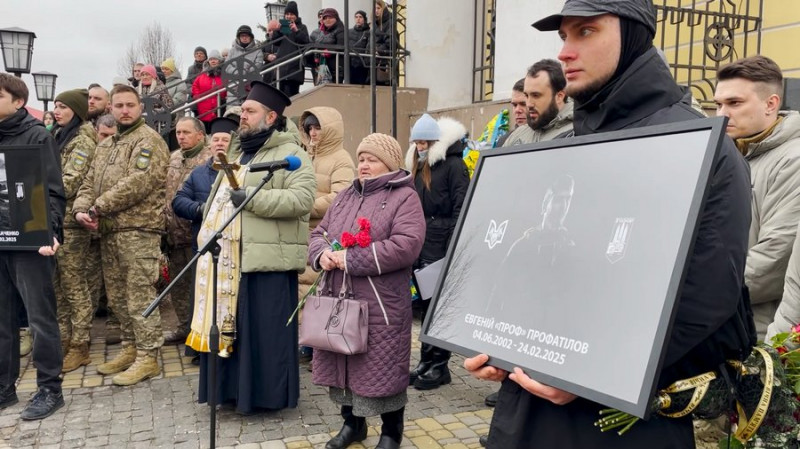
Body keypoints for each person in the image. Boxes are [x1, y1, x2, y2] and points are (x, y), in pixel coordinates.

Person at [466, 1, 753, 448]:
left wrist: (588, 371)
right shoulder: (565, 144)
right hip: (525, 409)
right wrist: (498, 339)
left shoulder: (702, 147)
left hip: (625, 423)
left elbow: (707, 296)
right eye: (563, 36)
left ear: (634, 35)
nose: (565, 52)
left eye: (585, 32)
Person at [191, 81, 315, 414]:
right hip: (229, 258)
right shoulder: (238, 150)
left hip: (266, 260)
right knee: (233, 329)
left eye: (249, 111)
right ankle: (231, 393)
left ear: (271, 116)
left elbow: (302, 200)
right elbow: (219, 199)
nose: (241, 117)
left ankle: (264, 398)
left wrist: (251, 199)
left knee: (262, 335)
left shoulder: (292, 154)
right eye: (243, 110)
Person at [308, 133, 425, 449]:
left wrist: (351, 258)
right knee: (343, 362)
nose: (363, 164)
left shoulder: (404, 197)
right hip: (340, 298)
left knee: (385, 367)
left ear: (389, 163)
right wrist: (322, 254)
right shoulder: (346, 195)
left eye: (371, 159)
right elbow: (319, 232)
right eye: (361, 158)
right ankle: (353, 425)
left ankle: (391, 432)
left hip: (381, 304)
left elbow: (406, 245)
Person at [73, 85, 169, 386]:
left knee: (141, 297)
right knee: (118, 298)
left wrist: (98, 206)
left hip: (139, 232)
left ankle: (148, 357)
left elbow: (138, 182)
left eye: (130, 104)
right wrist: (80, 208)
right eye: (119, 105)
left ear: (140, 107)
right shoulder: (106, 145)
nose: (125, 110)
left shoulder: (149, 141)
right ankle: (129, 348)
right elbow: (89, 180)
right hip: (109, 231)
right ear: (110, 109)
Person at [713, 56, 800, 340]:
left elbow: (775, 259)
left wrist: (700, 290)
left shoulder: (793, 160)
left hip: (759, 330)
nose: (722, 114)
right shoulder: (727, 153)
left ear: (771, 104)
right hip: (722, 322)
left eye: (735, 103)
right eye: (718, 104)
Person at [0, 73, 66, 420]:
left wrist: (50, 232)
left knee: (40, 319)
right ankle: (4, 387)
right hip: (0, 240)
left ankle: (50, 389)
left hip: (30, 241)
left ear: (18, 102)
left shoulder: (38, 136)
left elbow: (53, 189)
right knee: (1, 318)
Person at [404, 113, 469, 391]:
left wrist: (452, 246)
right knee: (426, 308)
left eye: (424, 141)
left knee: (438, 309)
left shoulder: (454, 166)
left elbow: (461, 207)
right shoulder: (419, 167)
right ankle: (426, 360)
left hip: (441, 245)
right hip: (423, 244)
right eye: (416, 142)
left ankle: (440, 365)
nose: (419, 146)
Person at [296, 107, 356, 364]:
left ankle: (315, 345)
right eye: (309, 128)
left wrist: (302, 204)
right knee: (302, 287)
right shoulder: (305, 156)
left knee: (317, 290)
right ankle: (305, 340)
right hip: (302, 232)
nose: (313, 132)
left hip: (323, 232)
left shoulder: (341, 159)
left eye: (317, 127)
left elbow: (340, 197)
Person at [51, 89, 100, 372]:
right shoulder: (60, 136)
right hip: (55, 219)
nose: (57, 111)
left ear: (76, 111)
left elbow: (69, 182)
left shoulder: (82, 141)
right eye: (55, 106)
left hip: (71, 222)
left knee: (74, 285)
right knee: (58, 285)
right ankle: (65, 339)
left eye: (63, 107)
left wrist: (40, 188)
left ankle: (80, 345)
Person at [163, 117, 212, 344]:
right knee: (179, 286)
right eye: (178, 132)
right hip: (173, 234)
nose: (180, 136)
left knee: (199, 287)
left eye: (186, 132)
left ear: (200, 135)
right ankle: (184, 326)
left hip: (196, 235)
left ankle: (199, 330)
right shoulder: (174, 158)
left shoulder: (209, 159)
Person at [502, 59, 574, 147]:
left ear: (559, 96)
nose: (529, 104)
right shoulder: (517, 136)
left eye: (536, 95)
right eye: (527, 95)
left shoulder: (577, 133)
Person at [263, 1, 310, 97]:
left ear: (296, 15)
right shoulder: (283, 27)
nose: (289, 16)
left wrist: (296, 31)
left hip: (295, 68)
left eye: (291, 14)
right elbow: (274, 42)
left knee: (291, 96)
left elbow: (306, 43)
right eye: (287, 14)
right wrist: (278, 31)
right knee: (278, 96)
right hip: (281, 68)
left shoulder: (302, 27)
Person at [308, 8, 346, 84]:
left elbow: (341, 46)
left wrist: (328, 51)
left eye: (330, 17)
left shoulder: (341, 30)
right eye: (325, 18)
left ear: (336, 18)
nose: (327, 20)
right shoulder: (322, 31)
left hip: (335, 67)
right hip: (321, 65)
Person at [192, 50, 226, 132]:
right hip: (204, 110)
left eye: (215, 59)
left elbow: (227, 87)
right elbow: (195, 86)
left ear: (219, 60)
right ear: (208, 61)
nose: (213, 61)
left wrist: (223, 97)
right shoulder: (202, 75)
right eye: (211, 59)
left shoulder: (224, 74)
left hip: (219, 108)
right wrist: (198, 98)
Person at [495, 78, 527, 148]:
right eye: (515, 105)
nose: (517, 110)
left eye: (523, 104)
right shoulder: (504, 141)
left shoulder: (551, 138)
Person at [348, 10, 371, 85]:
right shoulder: (349, 32)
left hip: (363, 65)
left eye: (360, 17)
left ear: (364, 19)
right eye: (356, 17)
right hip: (350, 64)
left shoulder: (368, 32)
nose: (358, 19)